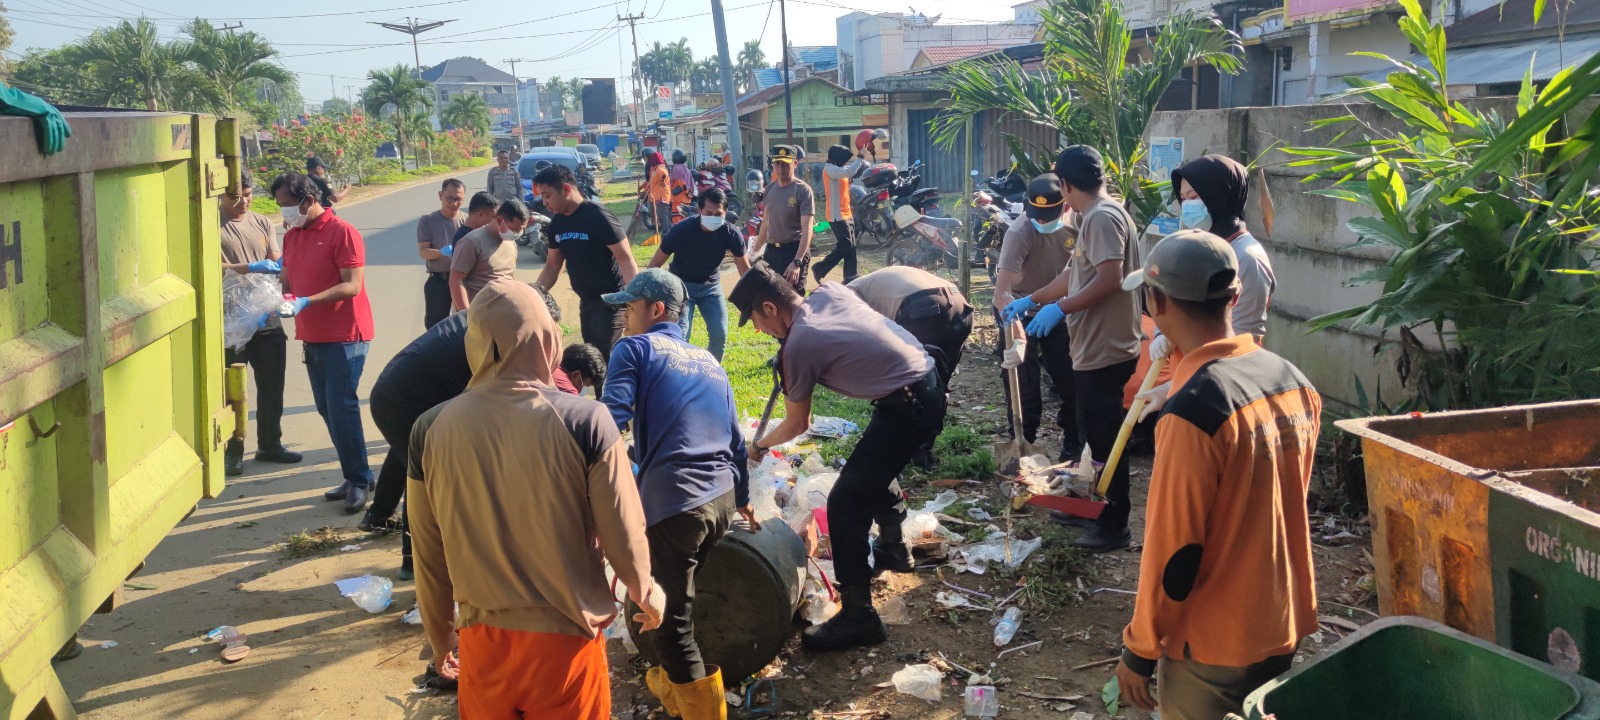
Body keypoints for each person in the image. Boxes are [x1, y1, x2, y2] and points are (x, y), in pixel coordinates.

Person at [408, 279, 664, 719]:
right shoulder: (587, 420)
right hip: (564, 642)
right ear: (548, 338)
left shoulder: (429, 428)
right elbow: (623, 528)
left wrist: (440, 637)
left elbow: (428, 552)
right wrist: (645, 590)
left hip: (481, 640)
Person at [1113, 229, 1320, 720]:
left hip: (1213, 642)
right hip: (1280, 620)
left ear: (1156, 301)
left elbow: (1174, 550)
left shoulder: (1193, 416)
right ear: (1236, 294)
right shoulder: (1292, 380)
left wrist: (1139, 649)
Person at [730, 263, 945, 652]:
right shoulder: (829, 292)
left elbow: (798, 424)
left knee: (846, 503)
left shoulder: (800, 343)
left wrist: (758, 448)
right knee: (869, 470)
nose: (760, 331)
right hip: (924, 383)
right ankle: (894, 549)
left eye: (756, 322)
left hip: (909, 404)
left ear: (770, 307)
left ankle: (859, 616)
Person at [599, 269, 755, 718]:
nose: (625, 316)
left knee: (669, 623)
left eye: (630, 307)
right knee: (677, 602)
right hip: (720, 498)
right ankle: (675, 685)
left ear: (656, 309)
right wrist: (742, 498)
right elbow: (736, 441)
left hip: (677, 503)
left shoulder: (634, 348)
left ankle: (699, 706)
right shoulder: (708, 360)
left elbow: (611, 419)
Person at [362, 284, 577, 580]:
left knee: (406, 453)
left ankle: (377, 515)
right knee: (427, 479)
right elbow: (501, 396)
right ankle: (414, 562)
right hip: (408, 399)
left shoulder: (488, 316)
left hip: (392, 393)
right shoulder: (502, 334)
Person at [1002, 146, 1142, 552]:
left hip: (1107, 346)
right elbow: (1073, 274)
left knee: (1103, 439)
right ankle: (1087, 507)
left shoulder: (1101, 218)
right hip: (1093, 344)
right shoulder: (1088, 216)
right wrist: (1034, 300)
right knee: (1087, 434)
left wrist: (1059, 309)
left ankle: (1114, 524)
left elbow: (1109, 279)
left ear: (1064, 184)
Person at [1134, 154, 1279, 420]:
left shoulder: (1246, 257)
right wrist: (1161, 333)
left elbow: (1241, 336)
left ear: (1219, 195)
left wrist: (1172, 386)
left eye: (1195, 197)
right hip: (1188, 378)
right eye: (1184, 198)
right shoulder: (1197, 245)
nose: (1187, 206)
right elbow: (1173, 296)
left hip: (1224, 386)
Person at [271, 172, 376, 514]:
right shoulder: (292, 237)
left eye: (287, 205)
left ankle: (360, 480)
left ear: (309, 200)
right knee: (326, 408)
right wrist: (278, 300)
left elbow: (352, 285)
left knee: (341, 408)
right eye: (280, 206)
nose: (284, 212)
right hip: (312, 335)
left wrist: (306, 301)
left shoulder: (342, 232)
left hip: (345, 335)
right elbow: (287, 279)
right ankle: (353, 473)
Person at [847, 265, 973, 470]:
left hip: (926, 307)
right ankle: (922, 451)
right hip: (960, 305)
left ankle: (891, 449)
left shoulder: (847, 295)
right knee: (936, 384)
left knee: (907, 384)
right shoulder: (870, 285)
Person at [218, 170, 302, 476]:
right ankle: (233, 450)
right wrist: (248, 266)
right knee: (232, 390)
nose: (243, 202)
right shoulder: (210, 224)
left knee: (271, 384)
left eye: (249, 195)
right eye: (235, 197)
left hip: (265, 313)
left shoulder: (262, 222)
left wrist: (278, 264)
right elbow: (210, 265)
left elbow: (275, 255)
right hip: (230, 319)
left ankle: (270, 444)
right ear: (221, 195)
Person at [992, 174, 1080, 461]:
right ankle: (1022, 442)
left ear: (1064, 207)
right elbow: (1001, 293)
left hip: (1055, 309)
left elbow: (1080, 270)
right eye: (1036, 216)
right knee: (1023, 380)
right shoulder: (1020, 233)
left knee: (1070, 378)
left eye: (1047, 216)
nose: (1041, 222)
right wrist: (1016, 332)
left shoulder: (1076, 224)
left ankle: (1073, 442)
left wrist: (1060, 306)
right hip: (1018, 309)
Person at [534, 164, 640, 357]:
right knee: (593, 358)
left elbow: (625, 259)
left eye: (547, 195)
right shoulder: (557, 223)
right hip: (587, 302)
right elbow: (552, 266)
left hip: (610, 301)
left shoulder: (599, 216)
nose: (544, 202)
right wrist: (533, 295)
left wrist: (635, 300)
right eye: (542, 196)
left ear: (566, 189)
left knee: (605, 358)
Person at [646, 187, 752, 360]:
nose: (713, 218)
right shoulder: (681, 230)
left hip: (711, 288)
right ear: (699, 210)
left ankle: (711, 375)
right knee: (680, 334)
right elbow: (655, 263)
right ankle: (678, 376)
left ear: (726, 212)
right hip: (681, 287)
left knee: (720, 335)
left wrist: (752, 301)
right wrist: (647, 294)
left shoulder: (731, 234)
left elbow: (745, 271)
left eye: (718, 214)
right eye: (708, 213)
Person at [749, 145, 814, 295]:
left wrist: (797, 261)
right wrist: (754, 251)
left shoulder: (803, 191)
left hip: (793, 251)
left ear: (795, 164)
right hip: (772, 252)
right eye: (777, 163)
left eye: (785, 164)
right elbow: (766, 223)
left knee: (792, 299)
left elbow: (807, 229)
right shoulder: (770, 190)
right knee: (771, 296)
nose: (780, 168)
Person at [450, 199, 526, 311]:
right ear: (500, 220)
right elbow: (455, 280)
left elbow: (510, 275)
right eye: (514, 229)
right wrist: (466, 315)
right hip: (478, 315)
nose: (518, 234)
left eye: (521, 230)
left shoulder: (511, 243)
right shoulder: (471, 241)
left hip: (503, 313)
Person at [811, 144, 867, 284]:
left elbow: (849, 173)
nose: (846, 162)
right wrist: (860, 157)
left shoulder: (838, 169)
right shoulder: (830, 169)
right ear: (838, 158)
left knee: (851, 246)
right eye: (844, 159)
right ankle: (819, 268)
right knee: (846, 245)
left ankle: (850, 276)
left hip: (846, 212)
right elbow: (849, 171)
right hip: (837, 215)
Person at [417, 178, 467, 329]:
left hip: (464, 281)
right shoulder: (428, 220)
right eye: (449, 198)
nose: (453, 203)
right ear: (440, 195)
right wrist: (441, 253)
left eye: (458, 199)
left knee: (465, 323)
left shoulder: (467, 221)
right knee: (436, 327)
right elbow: (424, 252)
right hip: (439, 281)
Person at [643, 148, 673, 230]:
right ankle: (667, 232)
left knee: (663, 218)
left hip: (661, 197)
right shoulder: (656, 169)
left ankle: (666, 234)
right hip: (657, 197)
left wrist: (662, 183)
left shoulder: (660, 169)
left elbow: (664, 176)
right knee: (662, 217)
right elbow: (652, 181)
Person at [668, 148, 695, 217]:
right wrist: (688, 194)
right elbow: (691, 184)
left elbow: (682, 183)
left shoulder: (677, 168)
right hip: (687, 199)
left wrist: (686, 192)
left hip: (678, 199)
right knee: (685, 220)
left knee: (677, 219)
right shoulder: (687, 169)